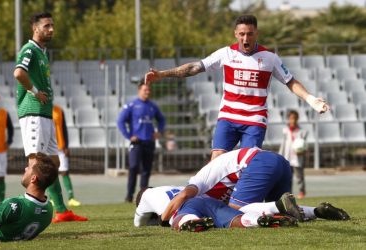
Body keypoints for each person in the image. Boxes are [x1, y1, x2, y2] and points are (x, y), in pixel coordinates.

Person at [145, 14, 330, 161]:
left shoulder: (270, 57)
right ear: (236, 34)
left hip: (254, 119)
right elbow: (195, 67)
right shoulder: (226, 53)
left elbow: (290, 81)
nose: (245, 38)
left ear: (257, 33)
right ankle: (211, 204)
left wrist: (311, 99)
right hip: (228, 116)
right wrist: (163, 74)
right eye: (242, 34)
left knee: (246, 164)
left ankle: (242, 205)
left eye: (249, 33)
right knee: (216, 161)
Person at [13, 11, 87, 222]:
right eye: (46, 26)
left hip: (44, 114)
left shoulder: (42, 52)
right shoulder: (30, 49)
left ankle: (62, 211)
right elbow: (19, 73)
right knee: (35, 163)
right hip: (33, 113)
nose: (51, 29)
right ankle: (28, 212)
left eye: (52, 25)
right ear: (35, 29)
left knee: (52, 164)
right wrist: (35, 92)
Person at [158, 147, 350, 224]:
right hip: (279, 162)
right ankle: (319, 211)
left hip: (259, 162)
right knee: (283, 213)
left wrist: (164, 219)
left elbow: (183, 195)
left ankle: (306, 209)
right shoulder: (211, 189)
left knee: (237, 210)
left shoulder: (197, 181)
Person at [135, 186, 349, 229]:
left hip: (188, 205)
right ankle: (314, 211)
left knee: (181, 221)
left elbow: (138, 223)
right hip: (207, 199)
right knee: (237, 215)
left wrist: (161, 220)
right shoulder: (170, 187)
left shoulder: (145, 196)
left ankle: (192, 223)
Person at [0, 152, 58, 242]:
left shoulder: (15, 205)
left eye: (29, 167)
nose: (25, 168)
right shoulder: (48, 210)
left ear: (33, 178)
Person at [117, 82, 165, 203]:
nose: (147, 92)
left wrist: (158, 132)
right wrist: (128, 136)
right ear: (139, 90)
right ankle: (129, 195)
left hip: (149, 141)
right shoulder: (131, 105)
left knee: (146, 170)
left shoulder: (152, 106)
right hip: (137, 143)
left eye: (149, 90)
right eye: (145, 90)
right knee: (133, 167)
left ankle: (143, 197)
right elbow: (120, 121)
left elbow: (161, 119)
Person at [52, 105, 81, 206]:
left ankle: (71, 198)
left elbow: (63, 128)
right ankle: (52, 199)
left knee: (64, 171)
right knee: (51, 173)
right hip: (48, 147)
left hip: (60, 145)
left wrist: (66, 145)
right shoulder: (41, 109)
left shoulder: (59, 110)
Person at [279, 110, 308, 199]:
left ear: (297, 119)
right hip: (288, 156)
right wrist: (281, 156)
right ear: (289, 119)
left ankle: (302, 191)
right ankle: (289, 193)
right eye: (291, 118)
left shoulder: (302, 131)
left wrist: (304, 150)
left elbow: (304, 144)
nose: (293, 120)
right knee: (288, 176)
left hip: (297, 156)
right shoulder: (285, 131)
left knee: (299, 175)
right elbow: (283, 144)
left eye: (295, 118)